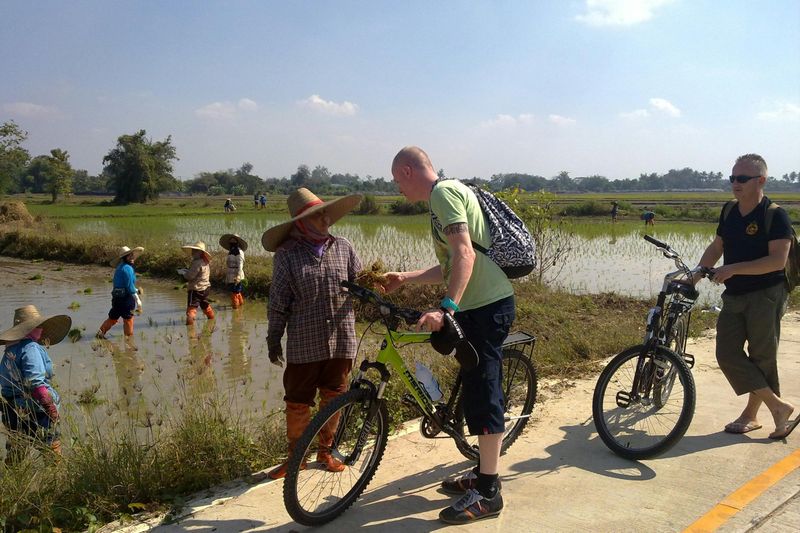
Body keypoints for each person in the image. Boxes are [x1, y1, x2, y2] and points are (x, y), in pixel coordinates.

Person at [379, 146, 515, 524]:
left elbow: (465, 255)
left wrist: (446, 309)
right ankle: (481, 470)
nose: (397, 189)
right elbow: (451, 263)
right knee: (473, 385)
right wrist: (406, 278)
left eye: (395, 181)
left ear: (407, 170)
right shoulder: (446, 195)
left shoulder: (442, 194)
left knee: (484, 389)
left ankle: (489, 491)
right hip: (479, 306)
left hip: (486, 306)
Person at [695, 153, 798, 440]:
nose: (735, 183)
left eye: (742, 178)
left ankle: (753, 415)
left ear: (760, 180)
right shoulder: (729, 211)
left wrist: (732, 269)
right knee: (726, 353)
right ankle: (778, 406)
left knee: (762, 357)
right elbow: (718, 245)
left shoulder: (775, 215)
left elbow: (777, 261)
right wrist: (697, 272)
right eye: (732, 178)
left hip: (766, 295)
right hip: (735, 294)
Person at [263, 187, 362, 480]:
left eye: (325, 213)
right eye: (316, 215)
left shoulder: (343, 247)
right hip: (305, 342)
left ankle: (326, 452)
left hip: (342, 338)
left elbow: (360, 283)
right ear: (301, 222)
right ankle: (296, 459)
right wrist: (273, 338)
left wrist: (376, 288)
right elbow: (278, 302)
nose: (325, 218)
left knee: (334, 398)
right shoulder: (287, 256)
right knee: (298, 401)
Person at [1, 305, 71, 463]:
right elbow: (35, 382)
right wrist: (50, 407)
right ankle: (56, 481)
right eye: (37, 326)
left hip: (12, 410)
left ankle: (13, 483)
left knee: (16, 449)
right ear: (29, 329)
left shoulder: (9, 352)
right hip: (36, 410)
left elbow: (5, 385)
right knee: (51, 450)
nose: (40, 329)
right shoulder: (31, 348)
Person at [97, 246, 144, 340]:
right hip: (126, 299)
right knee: (128, 320)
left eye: (132, 255)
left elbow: (123, 285)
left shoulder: (120, 267)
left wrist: (136, 290)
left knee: (113, 318)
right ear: (125, 258)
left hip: (116, 299)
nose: (132, 257)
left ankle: (99, 334)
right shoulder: (128, 269)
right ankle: (129, 341)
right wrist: (138, 301)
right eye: (129, 256)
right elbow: (130, 287)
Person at [180, 241, 215, 325]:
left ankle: (190, 329)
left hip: (196, 289)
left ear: (200, 252)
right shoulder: (205, 262)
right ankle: (212, 319)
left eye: (195, 251)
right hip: (205, 288)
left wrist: (183, 273)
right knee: (205, 305)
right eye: (193, 250)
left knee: (191, 309)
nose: (193, 253)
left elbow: (190, 276)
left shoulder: (196, 262)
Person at [219, 233, 247, 309]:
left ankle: (235, 309)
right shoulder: (231, 251)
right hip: (231, 274)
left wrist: (238, 276)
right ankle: (240, 305)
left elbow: (240, 265)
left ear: (237, 242)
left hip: (236, 273)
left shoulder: (239, 252)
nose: (232, 242)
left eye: (234, 241)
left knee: (234, 292)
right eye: (231, 241)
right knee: (236, 291)